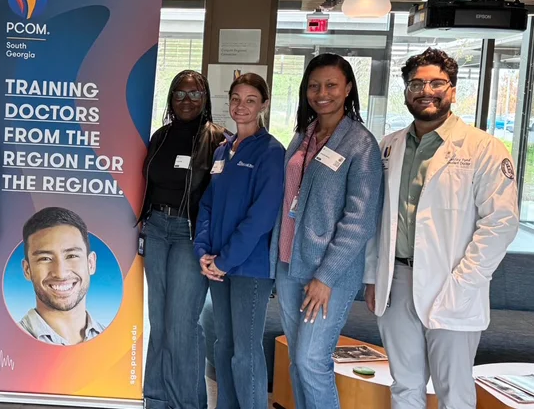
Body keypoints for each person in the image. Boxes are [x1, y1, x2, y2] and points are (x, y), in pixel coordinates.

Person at [364, 48, 519, 409]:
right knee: (405, 384)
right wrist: (373, 276)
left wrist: (464, 282)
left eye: (436, 82)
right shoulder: (390, 146)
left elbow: (501, 223)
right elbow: (378, 218)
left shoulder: (484, 148)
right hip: (397, 282)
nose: (425, 90)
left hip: (453, 282)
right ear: (406, 90)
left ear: (452, 89)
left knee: (454, 390)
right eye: (416, 83)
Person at [268, 53, 383, 409]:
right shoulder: (305, 134)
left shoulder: (360, 144)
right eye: (314, 86)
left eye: (331, 85)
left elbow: (360, 219)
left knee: (311, 361)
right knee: (298, 363)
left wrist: (326, 276)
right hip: (289, 264)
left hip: (327, 274)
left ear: (348, 88)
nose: (322, 93)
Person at [194, 73, 285, 409]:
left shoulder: (272, 152)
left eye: (250, 100)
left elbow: (261, 217)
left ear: (263, 104)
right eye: (235, 99)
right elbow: (207, 204)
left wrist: (224, 260)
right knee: (223, 346)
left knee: (245, 352)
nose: (241, 106)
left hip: (249, 267)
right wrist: (204, 252)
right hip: (217, 264)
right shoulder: (222, 150)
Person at [137, 70, 226, 409]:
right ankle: (156, 399)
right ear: (171, 99)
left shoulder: (219, 140)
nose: (187, 101)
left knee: (182, 326)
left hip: (191, 235)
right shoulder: (159, 137)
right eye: (180, 94)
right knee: (159, 323)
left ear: (205, 99)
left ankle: (187, 404)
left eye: (195, 94)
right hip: (156, 230)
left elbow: (223, 197)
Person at [18, 207, 105, 345]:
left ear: (91, 263)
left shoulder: (116, 340)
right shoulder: (10, 341)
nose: (60, 273)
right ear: (27, 270)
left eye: (71, 256)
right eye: (45, 258)